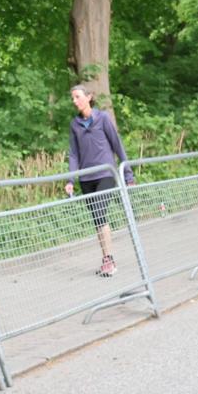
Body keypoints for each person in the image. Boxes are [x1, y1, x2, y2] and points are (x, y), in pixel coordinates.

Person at [64, 85, 134, 278]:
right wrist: (70, 179)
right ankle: (106, 258)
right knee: (98, 219)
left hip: (106, 174)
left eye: (77, 97)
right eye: (73, 98)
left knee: (100, 213)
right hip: (86, 179)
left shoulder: (102, 118)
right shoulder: (75, 124)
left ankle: (109, 260)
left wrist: (128, 174)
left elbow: (116, 144)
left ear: (89, 97)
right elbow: (74, 154)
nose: (74, 101)